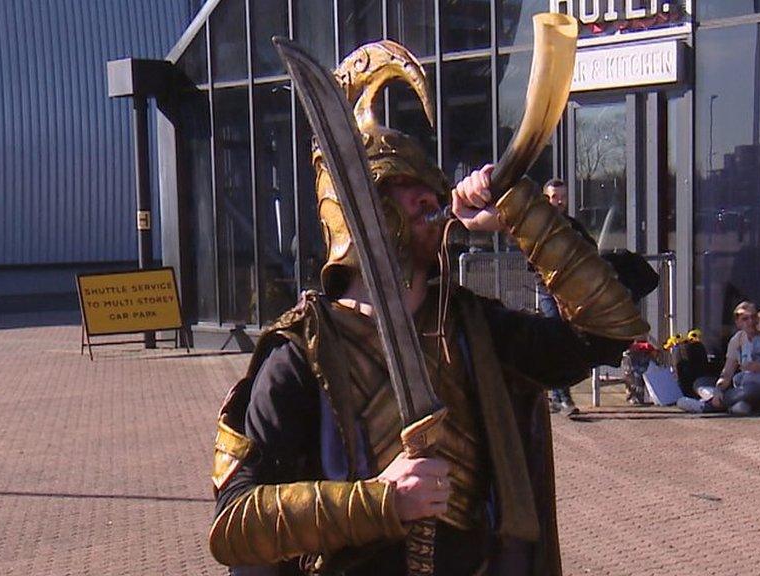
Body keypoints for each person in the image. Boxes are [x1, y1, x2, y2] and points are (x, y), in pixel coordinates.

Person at [207, 42, 647, 576]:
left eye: (428, 188)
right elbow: (238, 526)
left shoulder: (473, 329)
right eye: (397, 189)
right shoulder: (299, 354)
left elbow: (606, 329)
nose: (426, 198)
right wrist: (377, 501)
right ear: (352, 211)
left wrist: (518, 213)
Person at [535, 178, 598, 416]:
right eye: (554, 197)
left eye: (562, 197)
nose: (558, 201)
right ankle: (565, 399)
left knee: (564, 342)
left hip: (569, 293)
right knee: (559, 336)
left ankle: (555, 395)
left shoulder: (573, 227)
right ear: (546, 198)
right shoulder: (538, 227)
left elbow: (591, 250)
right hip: (548, 292)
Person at [678, 301, 760, 415]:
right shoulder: (737, 340)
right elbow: (727, 373)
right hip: (743, 385)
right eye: (745, 318)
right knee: (701, 382)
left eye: (753, 317)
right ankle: (725, 402)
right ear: (738, 323)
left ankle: (707, 406)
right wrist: (718, 390)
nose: (751, 321)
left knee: (749, 390)